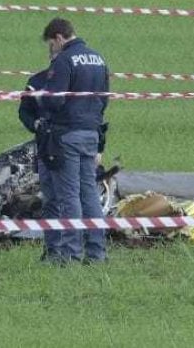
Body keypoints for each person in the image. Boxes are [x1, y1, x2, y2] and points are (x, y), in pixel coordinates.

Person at [34, 18, 109, 265]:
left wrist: (40, 97)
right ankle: (97, 253)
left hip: (67, 135)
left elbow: (54, 100)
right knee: (89, 193)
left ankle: (70, 254)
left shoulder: (65, 60)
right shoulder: (98, 58)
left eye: (51, 45)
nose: (51, 51)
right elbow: (104, 100)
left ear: (58, 38)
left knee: (68, 196)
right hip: (91, 133)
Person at [17, 54, 55, 262]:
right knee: (51, 199)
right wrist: (36, 125)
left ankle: (72, 248)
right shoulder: (36, 82)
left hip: (67, 146)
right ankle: (53, 249)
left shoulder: (75, 81)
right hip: (46, 148)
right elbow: (24, 112)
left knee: (70, 199)